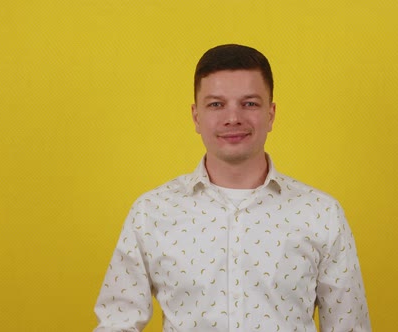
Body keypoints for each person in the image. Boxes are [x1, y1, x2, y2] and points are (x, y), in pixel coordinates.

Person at [94, 44, 371, 331]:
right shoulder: (151, 212)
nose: (233, 118)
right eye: (216, 104)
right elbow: (117, 322)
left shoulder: (321, 213)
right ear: (196, 116)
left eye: (249, 103)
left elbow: (348, 326)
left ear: (271, 114)